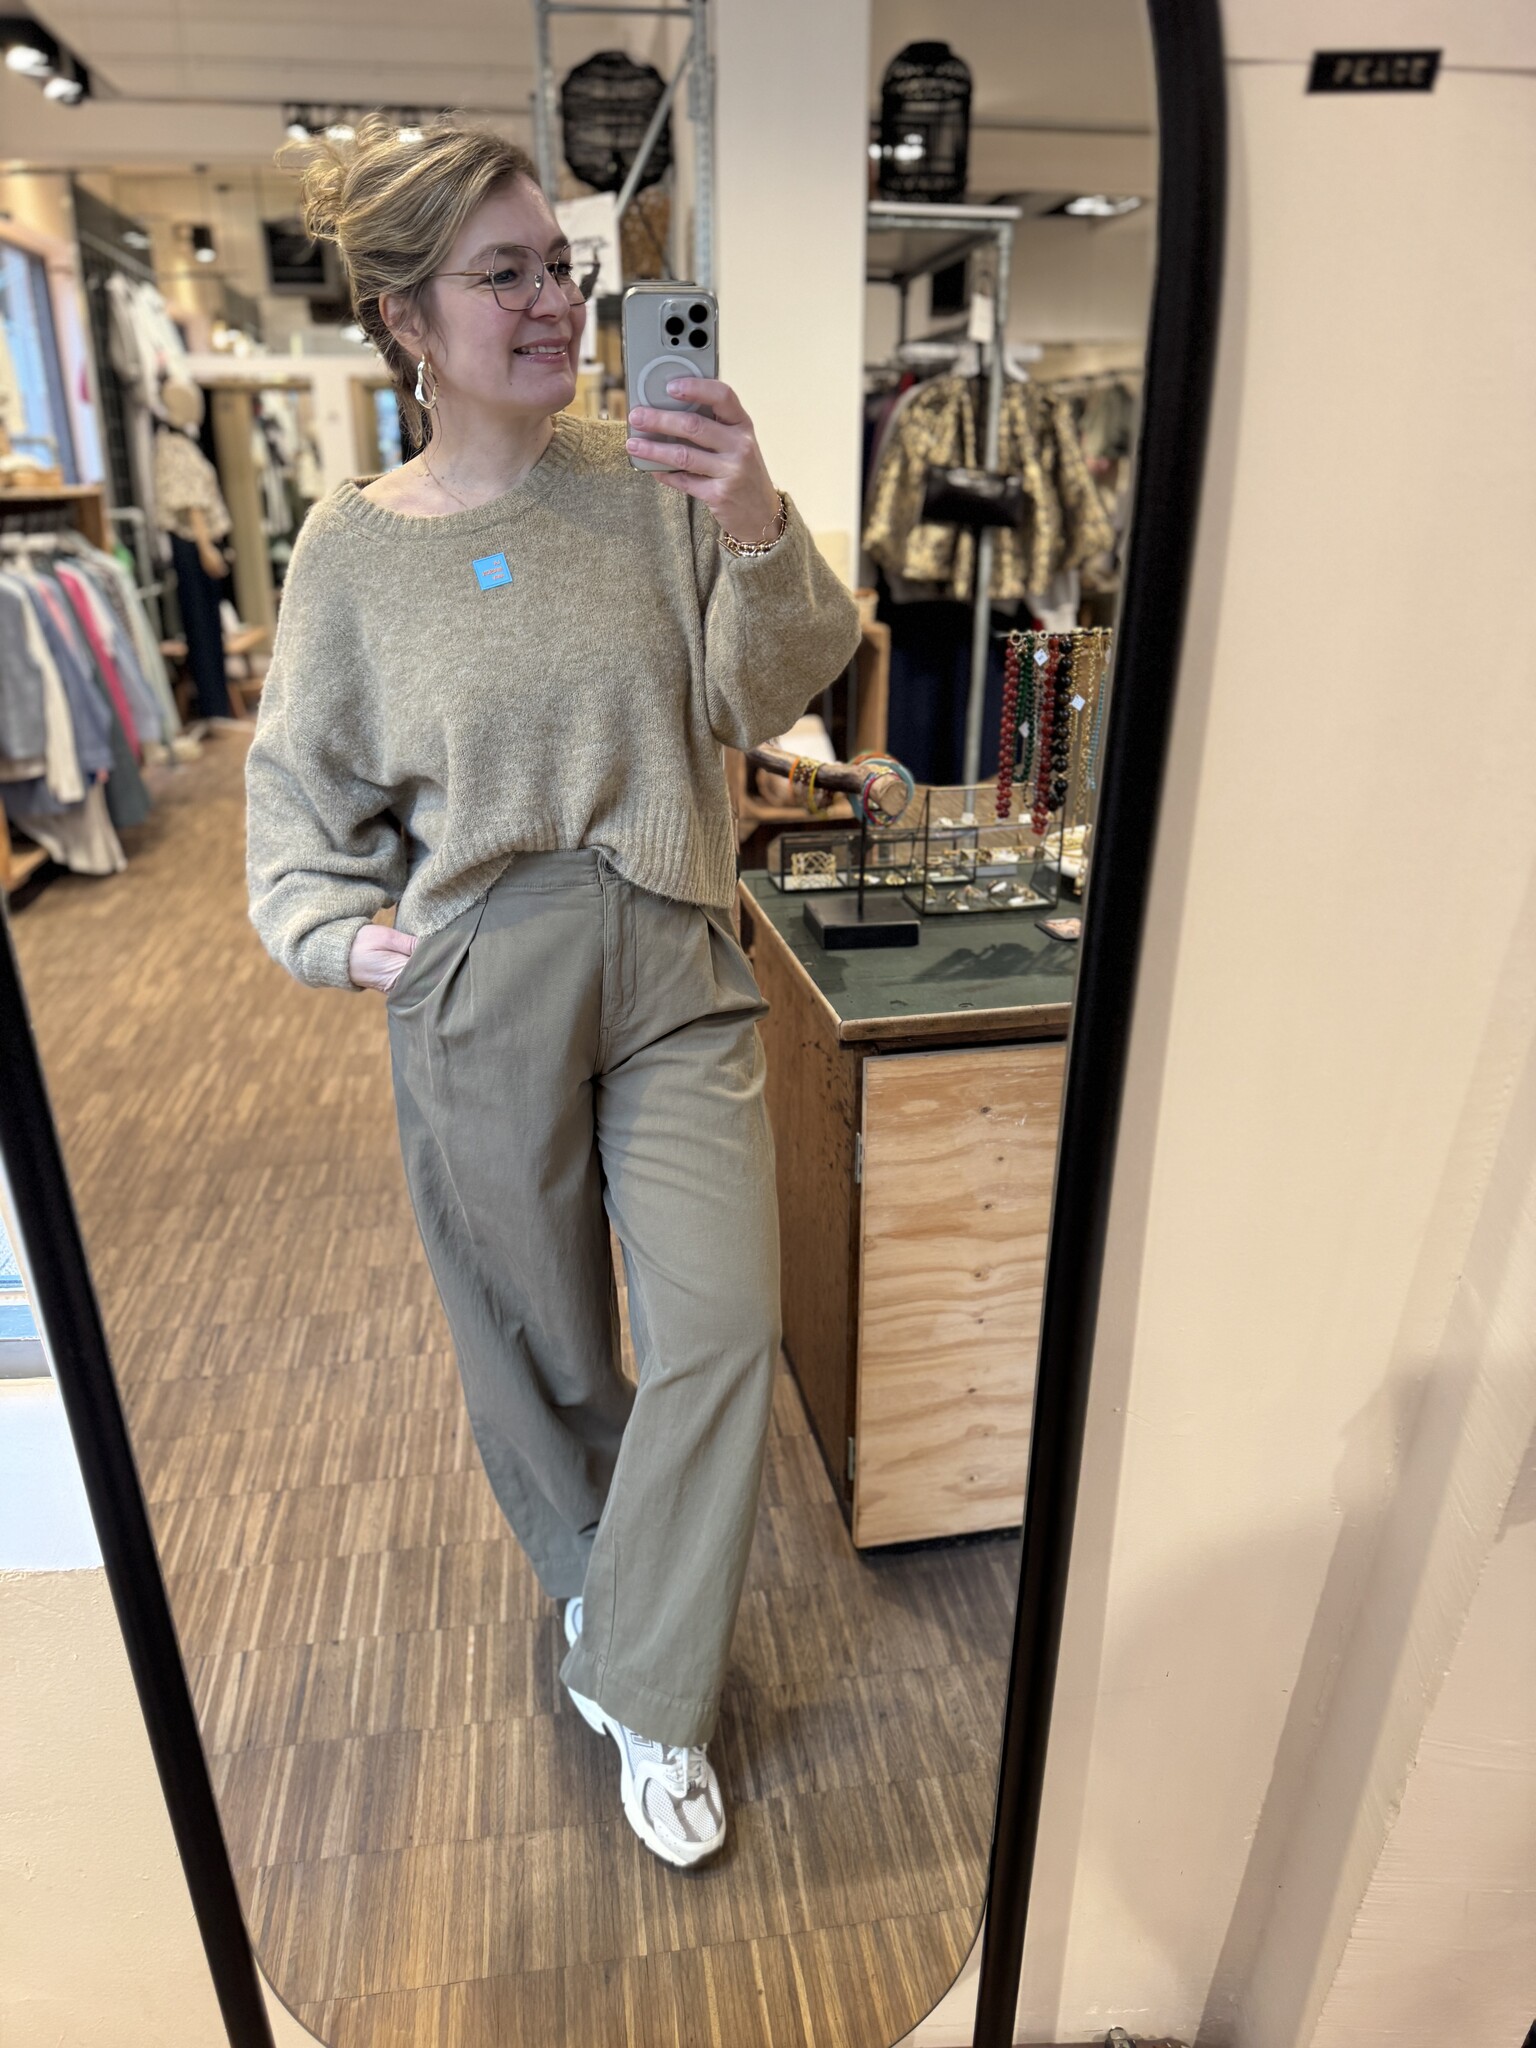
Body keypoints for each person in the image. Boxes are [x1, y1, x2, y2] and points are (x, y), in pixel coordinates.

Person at [243, 115, 862, 1869]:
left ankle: (647, 1682)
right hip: (480, 969)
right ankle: (609, 1597)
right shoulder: (353, 549)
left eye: (561, 269)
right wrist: (335, 930)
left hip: (669, 936)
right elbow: (299, 794)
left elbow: (769, 692)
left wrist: (753, 518)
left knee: (723, 1323)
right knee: (544, 1346)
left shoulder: (652, 473)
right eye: (500, 275)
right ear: (405, 319)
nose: (552, 305)